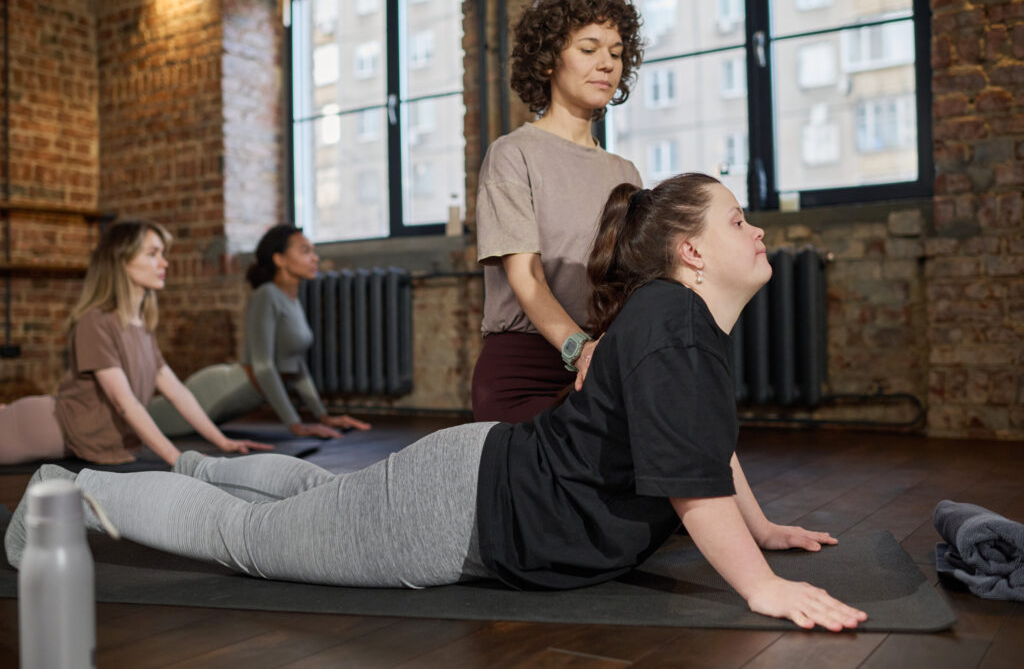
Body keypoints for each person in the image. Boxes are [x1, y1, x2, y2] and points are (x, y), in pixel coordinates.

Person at [5, 175, 867, 632]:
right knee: (249, 540)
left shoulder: (680, 325)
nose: (758, 233)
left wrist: (760, 530)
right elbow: (691, 482)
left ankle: (193, 466)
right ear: (691, 249)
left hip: (474, 478)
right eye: (739, 221)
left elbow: (704, 448)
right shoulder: (672, 321)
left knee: (315, 495)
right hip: (457, 514)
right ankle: (62, 494)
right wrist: (759, 587)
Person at [471, 0, 644, 423]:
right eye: (589, 48)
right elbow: (526, 278)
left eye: (617, 52)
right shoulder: (513, 154)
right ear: (548, 60)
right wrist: (579, 349)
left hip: (600, 366)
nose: (607, 63)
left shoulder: (626, 173)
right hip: (524, 371)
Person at [0, 219, 271, 467]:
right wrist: (178, 459)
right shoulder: (96, 322)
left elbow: (178, 392)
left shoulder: (141, 326)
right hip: (41, 429)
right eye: (152, 254)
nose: (164, 263)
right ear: (121, 262)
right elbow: (124, 402)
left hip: (80, 440)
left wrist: (222, 442)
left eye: (162, 254)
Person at [146, 224, 370, 440]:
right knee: (137, 421)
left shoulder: (290, 300)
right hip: (217, 393)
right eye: (305, 251)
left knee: (139, 422)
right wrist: (296, 425)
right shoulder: (266, 295)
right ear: (279, 259)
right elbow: (263, 367)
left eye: (313, 251)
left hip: (237, 398)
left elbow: (296, 366)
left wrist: (323, 417)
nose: (315, 258)